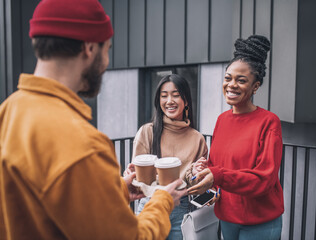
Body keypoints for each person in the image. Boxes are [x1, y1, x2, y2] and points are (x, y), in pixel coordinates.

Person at [0, 0, 186, 239]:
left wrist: (117, 188)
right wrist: (162, 201)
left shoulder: (7, 111)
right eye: (107, 49)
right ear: (89, 48)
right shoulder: (83, 144)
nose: (106, 62)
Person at [188, 35, 284, 240]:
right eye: (228, 78)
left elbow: (263, 180)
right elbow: (218, 167)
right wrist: (204, 170)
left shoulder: (269, 122)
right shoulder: (222, 120)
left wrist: (217, 175)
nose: (231, 85)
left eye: (241, 80)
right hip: (227, 219)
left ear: (255, 87)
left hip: (260, 223)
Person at [124, 74, 208, 239]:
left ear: (186, 101)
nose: (169, 100)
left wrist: (198, 173)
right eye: (164, 96)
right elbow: (140, 179)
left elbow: (194, 183)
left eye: (176, 95)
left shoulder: (197, 138)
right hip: (150, 204)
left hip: (181, 207)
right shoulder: (147, 131)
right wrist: (133, 174)